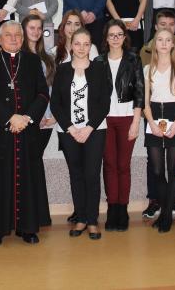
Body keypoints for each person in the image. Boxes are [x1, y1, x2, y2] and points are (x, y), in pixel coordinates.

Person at [0, 21, 50, 245]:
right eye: (8, 35)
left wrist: (26, 118)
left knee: (28, 178)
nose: (14, 38)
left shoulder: (33, 61)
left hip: (27, 131)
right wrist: (10, 118)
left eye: (18, 35)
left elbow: (43, 94)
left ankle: (27, 227)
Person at [51, 28, 111, 240]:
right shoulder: (62, 69)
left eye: (86, 44)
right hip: (68, 132)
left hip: (95, 130)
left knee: (92, 175)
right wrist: (70, 128)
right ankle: (81, 218)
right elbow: (55, 103)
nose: (82, 48)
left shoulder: (99, 68)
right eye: (77, 43)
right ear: (71, 45)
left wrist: (88, 127)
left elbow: (104, 103)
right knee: (76, 175)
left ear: (90, 46)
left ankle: (93, 220)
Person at [94, 20, 144, 232]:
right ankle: (112, 208)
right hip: (104, 119)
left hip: (126, 118)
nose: (115, 38)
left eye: (119, 35)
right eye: (111, 35)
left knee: (123, 165)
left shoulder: (133, 59)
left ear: (124, 37)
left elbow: (140, 92)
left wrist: (136, 122)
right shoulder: (98, 61)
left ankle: (122, 209)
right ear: (106, 38)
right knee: (109, 165)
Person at [142, 29, 175, 233]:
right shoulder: (147, 69)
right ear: (154, 44)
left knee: (173, 169)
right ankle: (164, 212)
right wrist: (151, 123)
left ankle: (167, 215)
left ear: (172, 45)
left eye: (167, 40)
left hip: (174, 114)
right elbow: (145, 101)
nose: (163, 43)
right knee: (157, 170)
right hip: (154, 116)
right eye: (159, 40)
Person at [21, 14, 57, 226]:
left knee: (35, 162)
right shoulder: (19, 55)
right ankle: (27, 213)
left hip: (47, 120)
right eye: (31, 28)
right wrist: (34, 116)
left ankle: (39, 213)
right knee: (27, 164)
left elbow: (51, 89)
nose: (35, 32)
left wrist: (51, 116)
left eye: (38, 28)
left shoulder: (48, 56)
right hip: (27, 119)